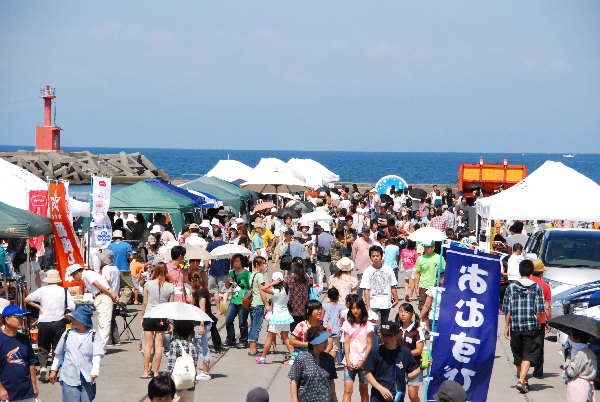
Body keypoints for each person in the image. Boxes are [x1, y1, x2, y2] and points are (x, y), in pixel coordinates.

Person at [24, 269, 76, 382]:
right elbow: (72, 307)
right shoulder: (64, 290)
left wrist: (39, 307)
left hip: (44, 321)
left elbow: (27, 299)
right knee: (58, 347)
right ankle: (54, 370)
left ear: (47, 279)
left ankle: (43, 367)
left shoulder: (42, 290)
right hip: (59, 321)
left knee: (43, 347)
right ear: (57, 279)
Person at [502, 259, 545, 394]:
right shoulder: (537, 288)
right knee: (529, 354)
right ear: (532, 271)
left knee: (517, 354)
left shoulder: (511, 287)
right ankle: (522, 380)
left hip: (515, 325)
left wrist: (506, 326)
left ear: (519, 271)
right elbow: (539, 309)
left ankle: (523, 380)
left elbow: (507, 309)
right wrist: (538, 323)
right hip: (531, 326)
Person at [49, 306, 105, 401]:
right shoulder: (67, 333)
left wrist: (95, 371)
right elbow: (58, 353)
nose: (72, 320)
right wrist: (53, 369)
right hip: (69, 376)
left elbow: (97, 355)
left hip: (87, 376)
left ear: (82, 320)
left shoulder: (93, 335)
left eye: (75, 318)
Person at [364, 321, 421, 402]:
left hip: (397, 397)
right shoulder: (375, 351)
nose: (385, 339)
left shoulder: (404, 352)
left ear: (396, 336)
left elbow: (411, 376)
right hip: (378, 397)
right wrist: (381, 389)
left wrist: (422, 368)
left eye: (388, 336)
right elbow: (368, 374)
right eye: (383, 335)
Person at [68, 263, 120, 351]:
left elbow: (99, 286)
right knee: (103, 322)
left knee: (104, 323)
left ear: (77, 273)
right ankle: (100, 345)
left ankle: (101, 347)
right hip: (103, 296)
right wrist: (114, 295)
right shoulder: (91, 273)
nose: (74, 278)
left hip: (103, 297)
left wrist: (112, 296)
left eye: (73, 276)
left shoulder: (87, 275)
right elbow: (106, 286)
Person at [141, 262, 175, 378]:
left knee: (148, 345)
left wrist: (142, 317)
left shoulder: (148, 284)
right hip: (162, 317)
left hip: (149, 315)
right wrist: (171, 321)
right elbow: (171, 305)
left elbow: (145, 303)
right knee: (159, 346)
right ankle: (156, 372)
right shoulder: (170, 286)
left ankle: (146, 372)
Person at [288, 325, 338, 402]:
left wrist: (335, 399)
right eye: (323, 341)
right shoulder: (301, 359)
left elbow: (331, 381)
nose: (326, 343)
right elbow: (294, 381)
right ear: (314, 343)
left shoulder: (329, 359)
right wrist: (294, 399)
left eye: (326, 340)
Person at [0, 305, 38, 402]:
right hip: (6, 393)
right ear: (7, 320)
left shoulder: (24, 339)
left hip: (26, 392)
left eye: (22, 317)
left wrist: (34, 385)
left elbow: (31, 363)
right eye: (18, 317)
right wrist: (1, 389)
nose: (21, 320)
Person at [257, 271, 295, 364]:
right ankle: (293, 358)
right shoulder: (284, 290)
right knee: (285, 338)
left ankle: (263, 357)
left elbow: (262, 288)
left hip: (277, 318)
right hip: (285, 317)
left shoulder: (277, 291)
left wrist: (272, 283)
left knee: (269, 337)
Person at [341, 298, 374, 402]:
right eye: (353, 308)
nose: (355, 310)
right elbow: (346, 344)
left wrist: (363, 361)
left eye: (358, 308)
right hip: (349, 361)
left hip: (363, 362)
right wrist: (348, 359)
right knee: (348, 391)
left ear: (362, 309)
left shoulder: (368, 325)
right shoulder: (347, 324)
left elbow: (369, 345)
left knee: (364, 390)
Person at [360, 245, 398, 323]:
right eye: (373, 256)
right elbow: (366, 289)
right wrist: (368, 306)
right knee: (377, 325)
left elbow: (393, 285)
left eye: (377, 255)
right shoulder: (368, 271)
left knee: (385, 323)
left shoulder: (388, 269)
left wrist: (396, 299)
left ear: (381, 256)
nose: (375, 258)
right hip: (374, 304)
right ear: (370, 257)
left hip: (386, 303)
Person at [396, 303, 425, 402]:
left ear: (412, 313)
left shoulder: (417, 329)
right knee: (399, 394)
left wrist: (404, 355)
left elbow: (419, 349)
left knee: (413, 396)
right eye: (400, 311)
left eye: (406, 312)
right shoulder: (396, 329)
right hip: (398, 366)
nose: (403, 314)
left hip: (414, 366)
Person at [164, 320, 199, 402]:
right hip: (189, 385)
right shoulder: (193, 346)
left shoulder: (175, 344)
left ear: (176, 331)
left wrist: (163, 379)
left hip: (177, 384)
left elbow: (170, 366)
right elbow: (194, 366)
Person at [290, 300, 334, 364]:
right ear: (308, 311)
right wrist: (307, 344)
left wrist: (322, 356)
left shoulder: (325, 325)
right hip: (303, 358)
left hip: (320, 359)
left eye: (320, 309)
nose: (320, 311)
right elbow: (291, 341)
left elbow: (330, 344)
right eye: (317, 309)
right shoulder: (302, 325)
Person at [187, 269, 212, 381]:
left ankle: (206, 372)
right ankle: (198, 370)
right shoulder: (201, 290)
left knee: (203, 347)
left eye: (190, 281)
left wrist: (201, 325)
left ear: (193, 280)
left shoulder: (201, 292)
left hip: (201, 323)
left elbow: (202, 309)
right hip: (201, 323)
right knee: (196, 347)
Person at [529, 259, 551, 379]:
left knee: (525, 344)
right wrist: (549, 321)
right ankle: (538, 372)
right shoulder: (545, 286)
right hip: (540, 320)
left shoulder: (525, 283)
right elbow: (547, 307)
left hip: (525, 319)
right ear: (541, 272)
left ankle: (522, 368)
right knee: (539, 345)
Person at [224, 253, 251, 348]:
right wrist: (228, 281)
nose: (235, 263)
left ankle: (243, 340)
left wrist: (244, 284)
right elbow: (227, 287)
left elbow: (250, 287)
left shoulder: (247, 273)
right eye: (234, 261)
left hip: (243, 301)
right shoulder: (232, 273)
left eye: (237, 261)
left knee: (242, 322)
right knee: (228, 320)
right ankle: (230, 339)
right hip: (234, 300)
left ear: (242, 262)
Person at [564, 328, 597, 401]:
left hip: (579, 387)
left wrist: (569, 357)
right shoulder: (589, 351)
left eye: (571, 336)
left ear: (577, 339)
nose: (570, 338)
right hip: (587, 386)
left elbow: (571, 372)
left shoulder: (581, 354)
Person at [414, 241, 445, 315]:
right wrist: (416, 288)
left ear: (433, 247)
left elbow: (444, 273)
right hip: (424, 286)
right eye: (425, 247)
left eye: (428, 247)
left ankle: (431, 326)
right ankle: (425, 325)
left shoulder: (440, 258)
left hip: (436, 287)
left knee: (434, 310)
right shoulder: (420, 258)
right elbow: (417, 273)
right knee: (423, 310)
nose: (426, 249)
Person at [99, 249, 122, 346]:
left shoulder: (106, 269)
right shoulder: (115, 268)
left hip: (108, 295)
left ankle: (108, 340)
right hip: (115, 294)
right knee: (112, 318)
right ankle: (116, 339)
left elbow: (108, 279)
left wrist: (101, 285)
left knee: (106, 319)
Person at [205, 228, 231, 315]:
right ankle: (224, 302)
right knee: (225, 288)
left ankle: (218, 309)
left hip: (213, 269)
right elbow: (230, 257)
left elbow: (207, 258)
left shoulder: (210, 244)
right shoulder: (225, 244)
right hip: (224, 268)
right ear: (221, 234)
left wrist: (205, 269)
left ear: (213, 234)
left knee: (215, 290)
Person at [285, 262, 314, 332]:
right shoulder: (307, 278)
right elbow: (311, 284)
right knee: (304, 327)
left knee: (294, 328)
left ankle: (295, 341)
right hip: (305, 306)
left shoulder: (289, 278)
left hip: (293, 306)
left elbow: (285, 287)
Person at [107, 229, 134, 304]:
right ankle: (122, 302)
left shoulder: (110, 246)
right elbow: (131, 256)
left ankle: (114, 303)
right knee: (128, 287)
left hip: (112, 269)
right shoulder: (126, 245)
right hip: (124, 268)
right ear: (122, 237)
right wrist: (128, 262)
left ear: (113, 238)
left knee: (114, 287)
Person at [248, 256, 268, 356]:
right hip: (258, 303)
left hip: (252, 303)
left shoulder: (252, 275)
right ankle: (253, 350)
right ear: (257, 264)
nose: (264, 265)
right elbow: (262, 291)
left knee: (252, 326)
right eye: (263, 263)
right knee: (256, 326)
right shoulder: (260, 275)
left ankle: (252, 348)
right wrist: (267, 304)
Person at [323, 287, 345, 362]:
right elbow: (341, 319)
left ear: (327, 296)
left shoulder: (324, 306)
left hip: (325, 329)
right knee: (334, 348)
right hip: (336, 329)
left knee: (325, 347)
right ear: (338, 296)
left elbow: (321, 317)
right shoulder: (341, 307)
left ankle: (324, 362)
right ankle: (332, 364)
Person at [351, 227, 374, 298]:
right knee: (360, 286)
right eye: (365, 232)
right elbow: (353, 254)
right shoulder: (357, 241)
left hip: (371, 267)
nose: (367, 233)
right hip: (361, 267)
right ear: (362, 233)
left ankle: (370, 301)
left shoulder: (372, 241)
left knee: (370, 286)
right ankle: (359, 302)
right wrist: (356, 264)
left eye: (368, 232)